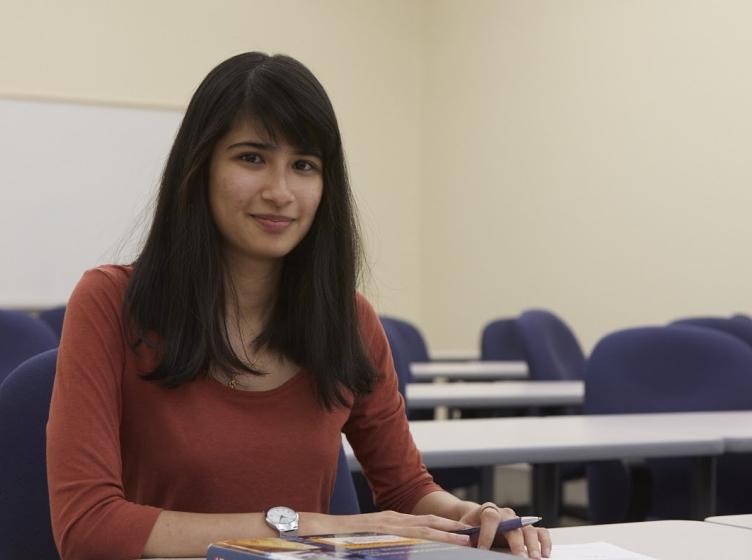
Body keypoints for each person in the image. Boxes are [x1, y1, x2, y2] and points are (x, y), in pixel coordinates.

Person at [46, 52, 552, 560]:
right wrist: (307, 527)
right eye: (251, 158)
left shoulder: (349, 322)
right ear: (198, 167)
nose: (280, 191)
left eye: (304, 165)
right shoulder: (110, 304)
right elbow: (88, 530)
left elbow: (404, 491)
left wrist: (469, 518)